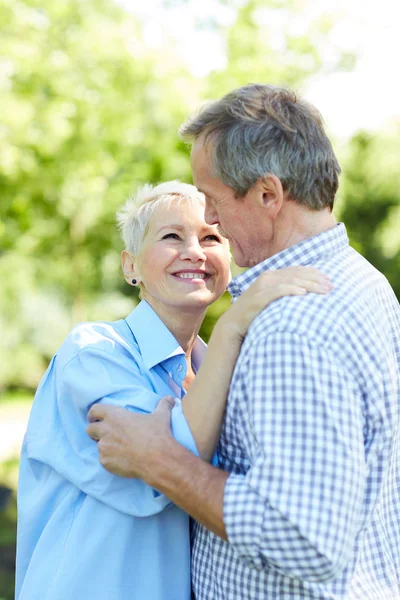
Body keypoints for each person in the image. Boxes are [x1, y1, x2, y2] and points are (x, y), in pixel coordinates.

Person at [87, 85, 400, 600]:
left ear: (268, 195)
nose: (208, 218)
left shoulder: (292, 325)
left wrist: (159, 461)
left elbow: (305, 539)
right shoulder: (363, 280)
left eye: (212, 199)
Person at [15, 180, 330, 600]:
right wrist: (233, 325)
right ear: (131, 266)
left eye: (211, 237)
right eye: (171, 236)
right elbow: (166, 468)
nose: (195, 252)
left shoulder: (217, 372)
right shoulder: (92, 356)